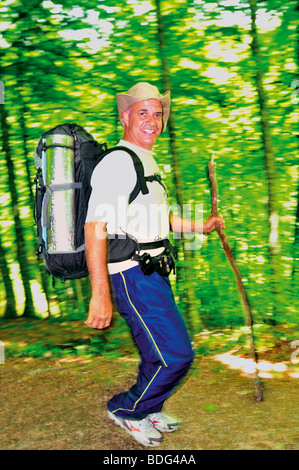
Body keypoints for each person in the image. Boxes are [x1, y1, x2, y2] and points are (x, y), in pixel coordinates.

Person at [84, 82, 224, 447]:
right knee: (177, 354)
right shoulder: (118, 161)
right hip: (131, 273)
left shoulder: (146, 160)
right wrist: (100, 294)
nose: (151, 120)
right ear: (125, 116)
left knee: (156, 350)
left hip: (153, 269)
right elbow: (94, 227)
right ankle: (126, 409)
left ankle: (150, 407)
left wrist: (202, 226)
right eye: (142, 112)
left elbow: (163, 220)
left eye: (157, 113)